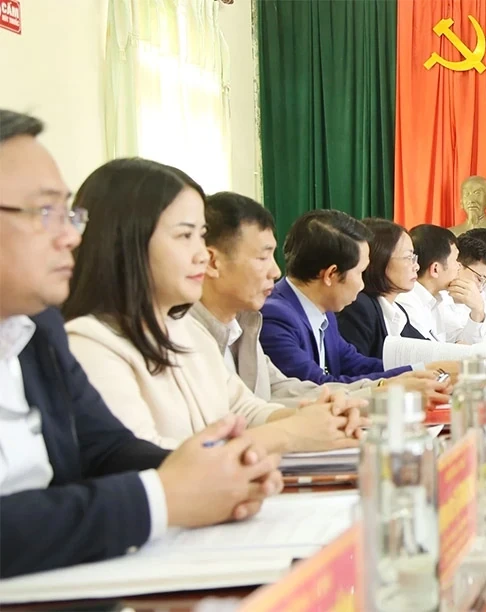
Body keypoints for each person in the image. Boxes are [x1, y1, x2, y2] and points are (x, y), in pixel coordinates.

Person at [0, 109, 280, 577]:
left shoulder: (36, 329)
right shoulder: (85, 336)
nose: (70, 237)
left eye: (69, 214)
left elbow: (105, 448)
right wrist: (163, 497)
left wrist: (226, 472)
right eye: (44, 213)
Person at [62, 159, 364, 454]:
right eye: (185, 235)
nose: (202, 255)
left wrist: (318, 418)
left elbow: (243, 407)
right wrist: (289, 434)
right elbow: (142, 458)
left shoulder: (185, 330)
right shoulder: (89, 343)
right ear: (126, 240)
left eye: (201, 235)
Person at [190, 195, 449, 405]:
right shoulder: (272, 316)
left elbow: (282, 391)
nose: (275, 271)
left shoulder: (249, 323)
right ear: (331, 274)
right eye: (262, 258)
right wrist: (391, 386)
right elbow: (311, 386)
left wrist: (413, 374)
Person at [260, 210, 454, 385]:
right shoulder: (275, 317)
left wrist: (420, 371)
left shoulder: (324, 311)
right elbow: (317, 386)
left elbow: (355, 364)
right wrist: (402, 381)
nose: (362, 285)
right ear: (331, 274)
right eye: (360, 272)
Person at [338, 218, 486, 366]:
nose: (416, 266)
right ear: (381, 259)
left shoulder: (398, 310)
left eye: (414, 258)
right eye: (408, 258)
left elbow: (430, 351)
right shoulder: (361, 307)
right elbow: (356, 370)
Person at [397, 224, 486, 344]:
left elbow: (458, 342)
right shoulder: (408, 305)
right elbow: (436, 353)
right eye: (455, 260)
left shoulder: (434, 301)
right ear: (435, 269)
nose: (459, 265)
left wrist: (478, 312)